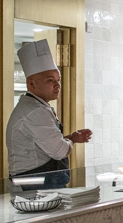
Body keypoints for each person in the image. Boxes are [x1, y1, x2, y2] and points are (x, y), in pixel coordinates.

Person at [7, 40, 92, 190]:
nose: (57, 85)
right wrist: (72, 140)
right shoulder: (35, 111)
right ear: (31, 84)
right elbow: (59, 151)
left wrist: (72, 137)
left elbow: (50, 144)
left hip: (42, 182)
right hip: (35, 184)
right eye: (50, 80)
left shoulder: (38, 107)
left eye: (58, 80)